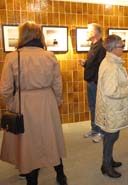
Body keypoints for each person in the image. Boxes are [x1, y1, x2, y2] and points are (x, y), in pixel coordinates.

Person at [0, 21, 67, 185]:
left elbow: (5, 88)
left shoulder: (12, 57)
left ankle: (32, 181)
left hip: (24, 103)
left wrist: (11, 105)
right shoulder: (49, 56)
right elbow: (58, 84)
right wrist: (56, 101)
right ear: (39, 36)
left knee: (27, 144)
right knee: (51, 139)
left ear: (22, 36)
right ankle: (61, 175)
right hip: (47, 101)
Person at [95, 35, 128, 178]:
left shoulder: (111, 62)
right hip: (111, 108)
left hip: (111, 108)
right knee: (111, 137)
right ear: (113, 48)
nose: (123, 48)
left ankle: (108, 160)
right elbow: (111, 91)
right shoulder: (111, 66)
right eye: (121, 46)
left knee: (110, 136)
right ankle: (106, 166)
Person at [78, 23, 106, 143]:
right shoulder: (93, 46)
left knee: (99, 108)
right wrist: (85, 63)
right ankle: (94, 129)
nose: (86, 33)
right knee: (93, 107)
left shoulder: (102, 47)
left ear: (95, 33)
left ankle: (101, 132)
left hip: (97, 83)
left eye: (88, 31)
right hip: (90, 82)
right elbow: (94, 65)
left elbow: (102, 67)